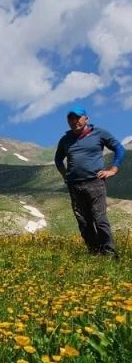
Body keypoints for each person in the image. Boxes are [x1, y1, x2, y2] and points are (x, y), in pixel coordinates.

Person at [55, 106, 125, 258]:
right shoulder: (65, 139)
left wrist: (113, 169)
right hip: (74, 185)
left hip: (95, 182)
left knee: (99, 218)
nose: (74, 122)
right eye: (71, 119)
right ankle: (95, 253)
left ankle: (110, 254)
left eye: (78, 118)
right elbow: (58, 159)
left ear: (86, 118)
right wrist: (65, 175)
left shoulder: (99, 133)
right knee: (84, 221)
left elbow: (119, 148)